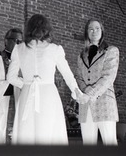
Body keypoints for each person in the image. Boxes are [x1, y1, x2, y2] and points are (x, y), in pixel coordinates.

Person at [7, 14, 87, 145]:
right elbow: (67, 74)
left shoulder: (18, 49)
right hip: (48, 94)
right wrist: (76, 92)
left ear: (28, 29)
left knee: (27, 132)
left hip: (27, 94)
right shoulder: (55, 49)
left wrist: (27, 84)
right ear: (47, 29)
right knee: (49, 132)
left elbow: (10, 78)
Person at [75, 18, 120, 145]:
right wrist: (85, 90)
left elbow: (109, 76)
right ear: (87, 33)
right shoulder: (80, 56)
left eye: (97, 28)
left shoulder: (111, 51)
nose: (94, 31)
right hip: (84, 104)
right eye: (90, 29)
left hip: (104, 102)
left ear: (102, 31)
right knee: (88, 145)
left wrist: (91, 92)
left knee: (109, 142)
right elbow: (78, 76)